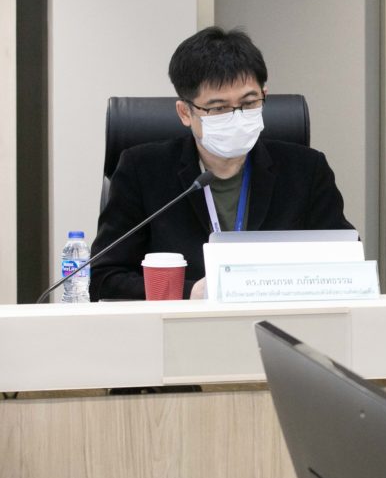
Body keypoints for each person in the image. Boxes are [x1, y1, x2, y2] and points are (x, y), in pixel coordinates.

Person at [91, 27, 355, 300]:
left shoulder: (306, 170)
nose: (237, 117)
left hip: (277, 318)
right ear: (185, 112)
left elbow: (346, 265)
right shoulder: (142, 170)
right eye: (218, 108)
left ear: (264, 95)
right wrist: (189, 292)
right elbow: (103, 277)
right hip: (181, 322)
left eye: (249, 103)